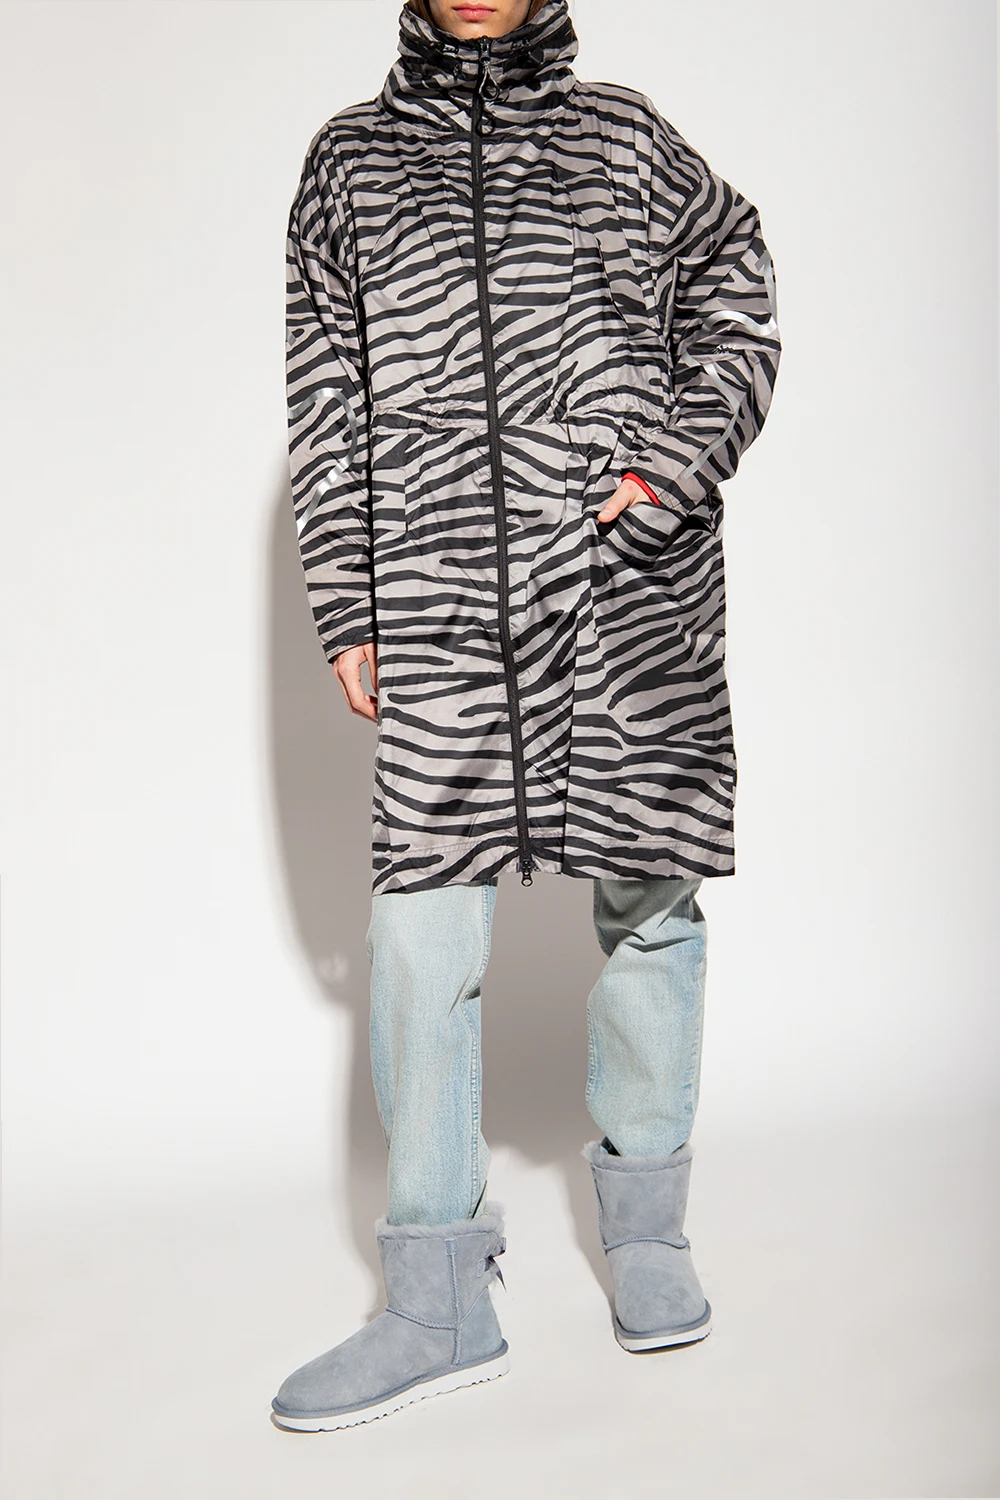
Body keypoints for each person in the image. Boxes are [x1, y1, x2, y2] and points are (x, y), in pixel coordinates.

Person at [272, 0, 781, 1432]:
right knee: (420, 929)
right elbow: (326, 395)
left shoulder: (625, 139)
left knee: (650, 900)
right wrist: (348, 597)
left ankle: (648, 1229)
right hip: (439, 593)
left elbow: (739, 288)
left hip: (625, 594)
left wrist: (670, 470)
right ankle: (438, 1295)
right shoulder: (349, 164)